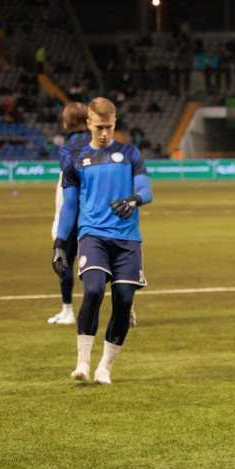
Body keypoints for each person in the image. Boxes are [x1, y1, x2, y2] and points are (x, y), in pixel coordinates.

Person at [51, 97, 154, 385]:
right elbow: (69, 207)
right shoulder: (76, 160)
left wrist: (134, 199)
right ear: (88, 124)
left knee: (123, 299)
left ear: (115, 123)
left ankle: (104, 368)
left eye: (109, 127)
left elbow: (147, 190)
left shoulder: (130, 153)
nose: (105, 133)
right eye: (99, 127)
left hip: (127, 240)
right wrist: (60, 244)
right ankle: (83, 362)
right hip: (92, 235)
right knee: (94, 290)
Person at [47, 102, 91, 325]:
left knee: (64, 258)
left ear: (66, 124)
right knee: (102, 259)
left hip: (74, 210)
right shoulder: (100, 142)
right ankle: (124, 301)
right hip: (96, 210)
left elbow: (68, 184)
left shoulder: (66, 149)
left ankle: (67, 311)